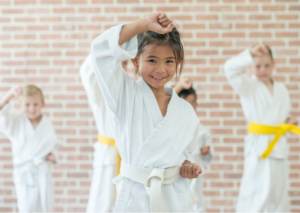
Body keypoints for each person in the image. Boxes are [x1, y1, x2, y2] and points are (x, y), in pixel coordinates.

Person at [90, 12, 205, 213]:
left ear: (178, 62)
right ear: (135, 60)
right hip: (136, 198)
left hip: (175, 200)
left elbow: (187, 151)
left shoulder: (185, 110)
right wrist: (142, 24)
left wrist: (188, 164)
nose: (161, 69)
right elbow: (100, 51)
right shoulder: (123, 95)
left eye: (169, 61)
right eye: (152, 60)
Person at [224, 43, 299, 213]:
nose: (263, 70)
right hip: (258, 148)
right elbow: (229, 68)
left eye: (267, 65)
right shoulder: (248, 86)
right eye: (257, 66)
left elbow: (281, 113)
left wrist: (288, 121)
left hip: (279, 146)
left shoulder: (281, 89)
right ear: (250, 67)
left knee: (278, 194)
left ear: (273, 64)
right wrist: (250, 53)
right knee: (255, 192)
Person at [80, 56, 129, 213]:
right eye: (120, 63)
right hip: (108, 154)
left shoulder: (136, 90)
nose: (122, 69)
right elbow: (87, 72)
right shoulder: (102, 92)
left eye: (125, 64)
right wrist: (113, 47)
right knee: (101, 203)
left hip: (131, 156)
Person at [0, 85, 58, 213]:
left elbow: (52, 145)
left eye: (35, 104)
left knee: (45, 208)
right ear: (21, 105)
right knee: (26, 209)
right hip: (24, 176)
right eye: (27, 104)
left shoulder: (47, 125)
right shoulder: (16, 122)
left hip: (43, 175)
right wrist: (10, 93)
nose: (32, 108)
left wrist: (51, 156)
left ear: (43, 104)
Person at [174, 77, 214, 213]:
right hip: (177, 173)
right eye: (186, 104)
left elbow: (207, 158)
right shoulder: (172, 128)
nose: (190, 108)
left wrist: (206, 152)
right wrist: (179, 85)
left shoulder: (202, 130)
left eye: (193, 104)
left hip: (197, 173)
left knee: (198, 201)